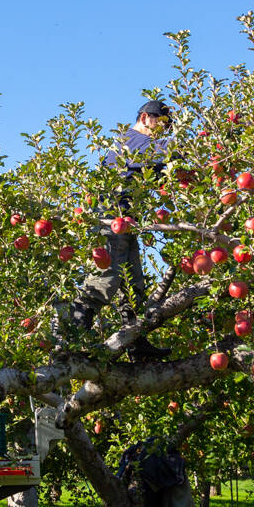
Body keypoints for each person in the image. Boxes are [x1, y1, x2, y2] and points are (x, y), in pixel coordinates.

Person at [71, 99, 170, 334]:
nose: (164, 131)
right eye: (162, 124)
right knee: (106, 279)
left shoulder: (150, 149)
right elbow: (164, 154)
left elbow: (163, 172)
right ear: (145, 118)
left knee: (133, 284)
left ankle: (135, 343)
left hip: (127, 223)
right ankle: (71, 336)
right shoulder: (132, 140)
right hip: (110, 219)